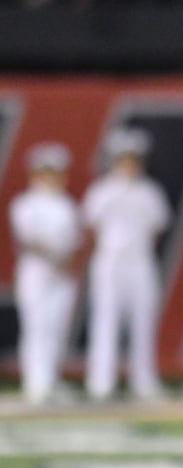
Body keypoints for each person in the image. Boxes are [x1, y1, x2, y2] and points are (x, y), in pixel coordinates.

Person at [81, 126, 172, 403]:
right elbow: (91, 228)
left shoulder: (150, 192)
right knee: (105, 320)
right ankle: (101, 383)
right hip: (110, 262)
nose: (129, 163)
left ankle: (143, 380)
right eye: (124, 157)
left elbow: (158, 228)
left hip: (141, 261)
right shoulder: (102, 191)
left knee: (143, 321)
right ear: (114, 158)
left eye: (133, 157)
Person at [8, 142, 82, 406]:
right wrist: (57, 260)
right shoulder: (25, 204)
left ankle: (51, 378)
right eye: (47, 172)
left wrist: (67, 264)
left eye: (56, 172)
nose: (52, 177)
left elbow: (76, 241)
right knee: (36, 327)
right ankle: (35, 383)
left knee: (57, 328)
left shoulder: (67, 205)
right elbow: (29, 240)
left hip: (63, 274)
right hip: (37, 273)